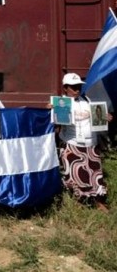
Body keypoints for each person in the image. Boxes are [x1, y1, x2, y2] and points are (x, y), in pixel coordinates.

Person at [53, 73, 112, 211]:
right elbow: (56, 127)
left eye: (79, 86)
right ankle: (79, 202)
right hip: (71, 144)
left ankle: (99, 202)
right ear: (65, 88)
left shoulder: (88, 100)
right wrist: (52, 112)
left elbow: (98, 117)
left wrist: (105, 117)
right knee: (75, 175)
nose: (77, 90)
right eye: (73, 87)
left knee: (95, 174)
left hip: (91, 144)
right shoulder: (60, 103)